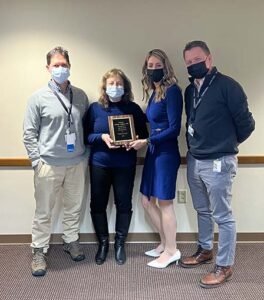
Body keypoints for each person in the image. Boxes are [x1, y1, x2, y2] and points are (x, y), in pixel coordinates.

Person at [180, 40, 255, 288]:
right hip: (195, 159)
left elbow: (246, 125)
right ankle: (205, 250)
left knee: (223, 216)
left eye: (197, 59)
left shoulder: (228, 86)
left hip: (219, 161)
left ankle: (224, 265)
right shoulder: (190, 91)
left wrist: (223, 145)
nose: (193, 65)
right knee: (202, 209)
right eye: (189, 62)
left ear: (209, 59)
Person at [23, 46, 89, 276]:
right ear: (48, 68)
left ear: (70, 67)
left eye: (64, 65)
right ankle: (39, 250)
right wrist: (36, 161)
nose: (61, 69)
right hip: (48, 165)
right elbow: (29, 133)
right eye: (56, 65)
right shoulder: (37, 98)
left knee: (73, 207)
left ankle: (70, 241)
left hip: (76, 163)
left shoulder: (80, 96)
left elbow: (86, 128)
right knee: (44, 212)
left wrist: (84, 157)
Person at [84, 68, 148, 265]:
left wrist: (136, 140)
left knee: (124, 204)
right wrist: (102, 137)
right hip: (99, 164)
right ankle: (103, 244)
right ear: (105, 87)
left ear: (125, 87)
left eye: (119, 84)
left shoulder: (134, 109)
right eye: (111, 84)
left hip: (125, 164)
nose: (115, 87)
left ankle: (120, 243)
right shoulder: (95, 109)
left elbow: (143, 135)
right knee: (97, 204)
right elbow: (86, 136)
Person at [129, 49, 183, 269]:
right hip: (153, 152)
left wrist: (148, 140)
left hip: (166, 153)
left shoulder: (172, 91)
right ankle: (164, 242)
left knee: (165, 202)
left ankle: (172, 250)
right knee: (145, 200)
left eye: (156, 65)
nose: (153, 69)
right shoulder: (155, 92)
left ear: (165, 66)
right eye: (149, 66)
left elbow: (174, 129)